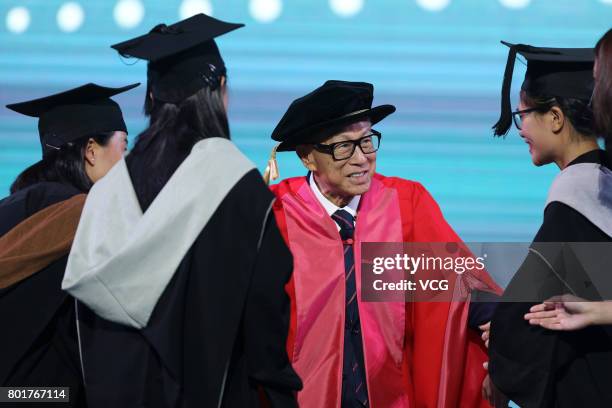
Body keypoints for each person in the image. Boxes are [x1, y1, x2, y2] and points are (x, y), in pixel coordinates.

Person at [61, 14, 301, 408]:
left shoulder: (108, 192)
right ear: (220, 88)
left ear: (151, 99)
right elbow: (266, 315)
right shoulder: (238, 188)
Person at [265, 79, 502, 407]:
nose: (362, 159)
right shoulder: (277, 214)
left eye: (367, 142)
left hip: (390, 395)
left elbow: (456, 278)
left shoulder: (403, 203)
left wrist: (504, 326)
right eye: (344, 147)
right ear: (308, 157)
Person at [488, 41, 612, 408]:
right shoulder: (603, 176)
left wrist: (499, 343)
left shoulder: (578, 189)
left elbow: (532, 307)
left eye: (522, 114)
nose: (521, 129)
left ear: (556, 118)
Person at [0, 82, 138, 407]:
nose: (130, 161)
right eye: (124, 147)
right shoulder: (87, 219)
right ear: (91, 151)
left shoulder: (9, 209)